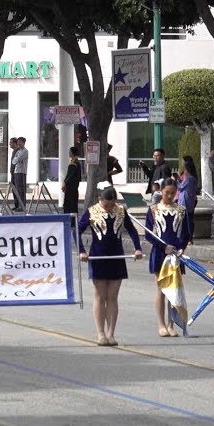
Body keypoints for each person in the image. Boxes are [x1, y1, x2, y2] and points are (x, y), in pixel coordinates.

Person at [78, 185, 143, 346]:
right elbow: (76, 230)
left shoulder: (120, 211)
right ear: (100, 200)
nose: (109, 208)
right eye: (106, 205)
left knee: (112, 297)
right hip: (98, 256)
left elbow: (132, 230)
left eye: (111, 205)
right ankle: (100, 333)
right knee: (100, 296)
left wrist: (138, 248)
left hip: (117, 256)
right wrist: (82, 251)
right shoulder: (92, 211)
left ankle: (111, 333)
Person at [145, 179, 192, 337]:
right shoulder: (154, 210)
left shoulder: (181, 210)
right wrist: (163, 247)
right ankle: (161, 324)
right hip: (160, 253)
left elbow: (186, 234)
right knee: (161, 289)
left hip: (176, 255)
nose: (170, 196)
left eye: (173, 193)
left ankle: (172, 324)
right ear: (161, 191)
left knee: (174, 289)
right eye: (167, 193)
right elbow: (148, 234)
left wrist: (181, 248)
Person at [61, 146, 81, 214]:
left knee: (69, 204)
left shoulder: (74, 163)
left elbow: (69, 175)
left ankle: (70, 221)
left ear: (72, 153)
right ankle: (73, 220)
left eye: (70, 152)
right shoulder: (77, 161)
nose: (69, 153)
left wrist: (64, 183)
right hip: (75, 187)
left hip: (71, 187)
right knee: (73, 204)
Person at [11, 137, 29, 212]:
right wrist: (16, 159)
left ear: (23, 143)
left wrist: (17, 159)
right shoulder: (18, 151)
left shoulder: (25, 151)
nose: (18, 143)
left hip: (21, 172)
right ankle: (19, 205)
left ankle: (22, 206)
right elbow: (13, 161)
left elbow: (18, 159)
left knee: (21, 190)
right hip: (16, 171)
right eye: (18, 142)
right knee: (17, 190)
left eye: (20, 142)